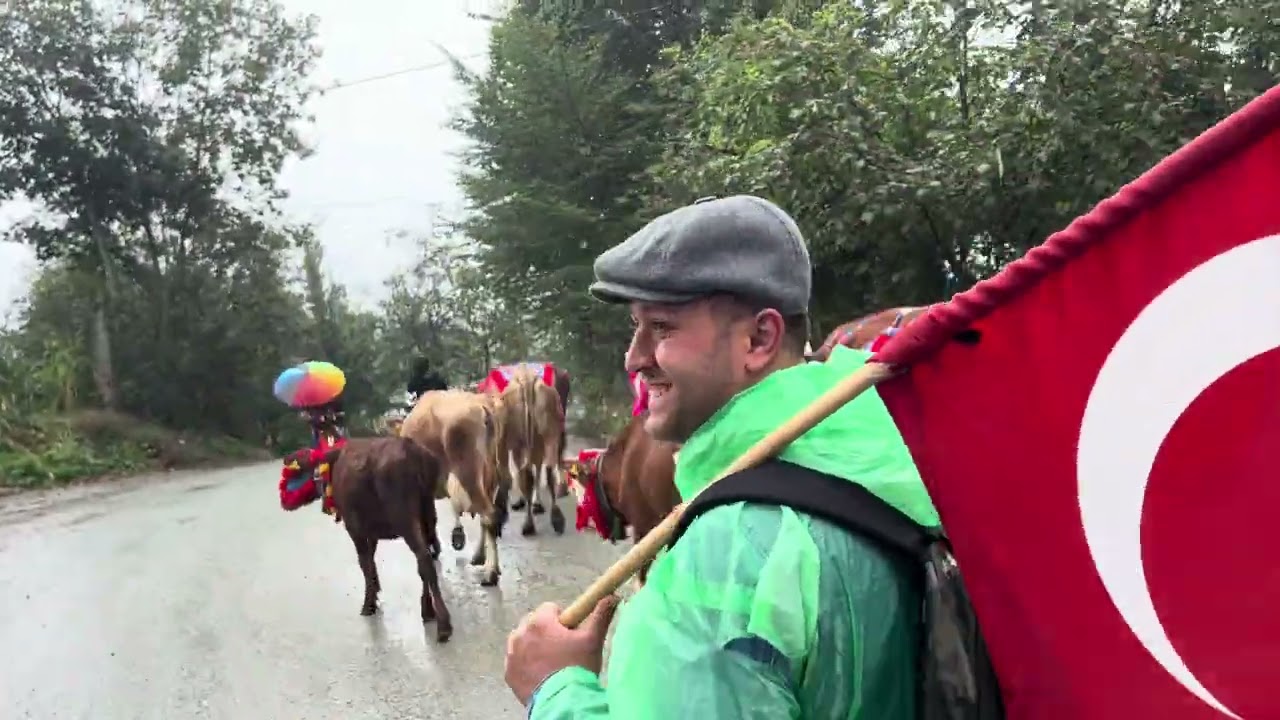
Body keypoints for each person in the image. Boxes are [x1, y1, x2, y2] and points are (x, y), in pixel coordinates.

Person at [504, 195, 941, 718]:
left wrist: (554, 689)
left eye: (662, 328)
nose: (635, 357)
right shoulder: (890, 463)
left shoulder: (729, 552)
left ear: (758, 338)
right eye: (635, 327)